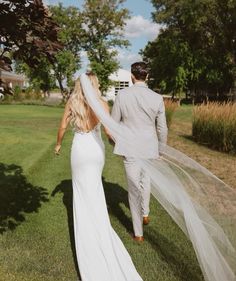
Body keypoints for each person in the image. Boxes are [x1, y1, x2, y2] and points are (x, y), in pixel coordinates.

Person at [54, 72, 143, 281]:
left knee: (81, 192)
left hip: (80, 149)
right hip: (95, 151)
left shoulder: (73, 102)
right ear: (94, 84)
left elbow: (63, 127)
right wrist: (122, 145)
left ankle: (87, 230)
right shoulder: (102, 103)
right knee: (94, 189)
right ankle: (98, 226)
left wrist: (58, 144)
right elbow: (110, 133)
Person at [111, 62, 168, 241]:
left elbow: (113, 123)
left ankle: (138, 233)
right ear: (147, 77)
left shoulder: (122, 95)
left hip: (130, 147)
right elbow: (162, 128)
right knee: (145, 181)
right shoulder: (157, 98)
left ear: (132, 76)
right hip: (149, 147)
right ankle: (145, 214)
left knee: (134, 187)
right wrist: (161, 149)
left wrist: (116, 142)